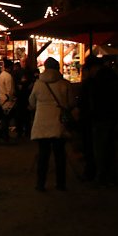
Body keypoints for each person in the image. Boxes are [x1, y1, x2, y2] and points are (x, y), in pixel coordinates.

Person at [28, 56, 75, 192]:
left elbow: (31, 102)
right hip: (58, 122)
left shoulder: (38, 84)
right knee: (60, 155)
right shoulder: (64, 84)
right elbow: (71, 102)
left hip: (41, 123)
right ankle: (60, 183)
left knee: (43, 155)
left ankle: (40, 184)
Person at [78, 55, 118, 187]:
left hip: (99, 118)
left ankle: (102, 177)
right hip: (110, 117)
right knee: (108, 148)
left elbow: (92, 101)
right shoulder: (112, 78)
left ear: (93, 68)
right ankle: (111, 176)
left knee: (100, 149)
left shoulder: (96, 81)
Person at [0, 58, 16, 141]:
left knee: (4, 119)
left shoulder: (1, 75)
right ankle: (5, 135)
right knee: (7, 119)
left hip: (2, 99)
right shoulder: (8, 76)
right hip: (8, 100)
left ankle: (3, 134)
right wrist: (12, 98)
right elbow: (10, 90)